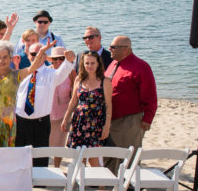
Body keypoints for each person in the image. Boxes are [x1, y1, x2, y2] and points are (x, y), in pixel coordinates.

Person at [0, 40, 51, 148]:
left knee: (6, 159)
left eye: (5, 57)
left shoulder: (16, 75)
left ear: (10, 58)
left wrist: (40, 52)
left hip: (7, 125)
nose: (1, 60)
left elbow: (32, 69)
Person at [14, 42, 76, 164]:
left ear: (44, 57)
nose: (37, 56)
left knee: (40, 159)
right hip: (21, 122)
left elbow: (63, 72)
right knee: (20, 157)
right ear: (28, 55)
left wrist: (69, 61)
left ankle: (39, 183)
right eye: (33, 54)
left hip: (40, 123)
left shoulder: (51, 74)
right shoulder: (23, 73)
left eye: (40, 53)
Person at [104, 36, 157, 170]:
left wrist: (148, 119)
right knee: (109, 153)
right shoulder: (113, 63)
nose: (109, 49)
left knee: (128, 154)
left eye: (113, 47)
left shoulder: (141, 67)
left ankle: (129, 184)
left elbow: (150, 96)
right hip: (110, 118)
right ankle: (109, 181)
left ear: (125, 49)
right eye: (110, 46)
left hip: (129, 119)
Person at [61, 51, 113, 166]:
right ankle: (81, 182)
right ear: (82, 64)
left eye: (93, 63)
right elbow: (74, 101)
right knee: (79, 158)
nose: (90, 66)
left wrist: (107, 126)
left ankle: (101, 184)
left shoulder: (105, 81)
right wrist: (66, 118)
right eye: (87, 63)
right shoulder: (79, 79)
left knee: (93, 158)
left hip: (95, 123)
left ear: (98, 64)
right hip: (79, 122)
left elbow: (109, 105)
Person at [48, 49, 76, 149]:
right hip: (48, 115)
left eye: (61, 58)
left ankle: (57, 164)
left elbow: (74, 94)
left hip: (64, 115)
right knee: (48, 143)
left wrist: (71, 114)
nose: (58, 61)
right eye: (55, 59)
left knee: (60, 143)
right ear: (51, 60)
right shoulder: (47, 72)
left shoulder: (71, 73)